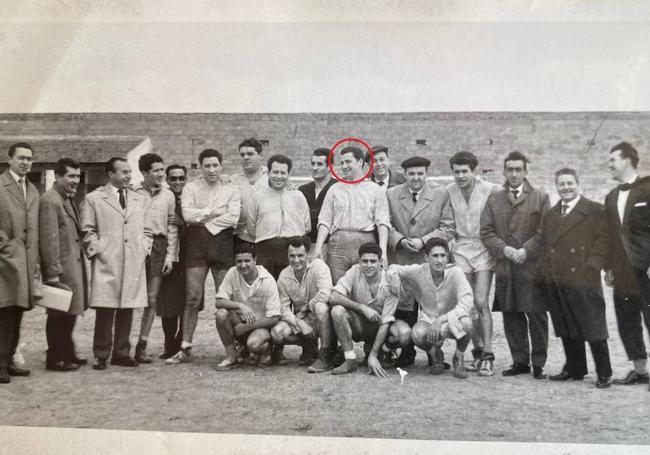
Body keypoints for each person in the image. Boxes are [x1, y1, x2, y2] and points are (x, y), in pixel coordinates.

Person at [480, 150, 550, 379]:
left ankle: (539, 363)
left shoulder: (540, 196)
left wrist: (526, 251)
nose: (514, 174)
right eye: (509, 169)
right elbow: (486, 232)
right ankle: (520, 361)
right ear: (504, 171)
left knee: (536, 315)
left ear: (526, 171)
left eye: (518, 169)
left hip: (531, 267)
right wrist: (504, 249)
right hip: (506, 268)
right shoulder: (494, 198)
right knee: (511, 315)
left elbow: (545, 231)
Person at [540, 168, 612, 388]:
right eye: (561, 184)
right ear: (557, 187)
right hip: (559, 279)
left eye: (570, 183)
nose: (566, 188)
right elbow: (546, 244)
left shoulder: (595, 210)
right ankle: (575, 367)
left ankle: (604, 372)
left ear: (578, 184)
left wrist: (592, 266)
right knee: (566, 324)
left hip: (584, 278)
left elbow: (604, 240)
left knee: (593, 325)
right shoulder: (552, 215)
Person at [167, 148, 240, 364]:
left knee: (225, 299)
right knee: (192, 298)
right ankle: (185, 347)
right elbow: (187, 215)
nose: (211, 169)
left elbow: (233, 218)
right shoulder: (191, 188)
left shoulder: (231, 189)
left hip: (222, 243)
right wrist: (215, 213)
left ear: (221, 166)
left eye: (215, 165)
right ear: (200, 167)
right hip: (196, 243)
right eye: (207, 165)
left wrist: (205, 220)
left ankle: (236, 347)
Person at [82, 157, 153, 371]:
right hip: (107, 260)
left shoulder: (140, 199)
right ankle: (101, 354)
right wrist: (98, 249)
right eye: (123, 172)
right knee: (105, 308)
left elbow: (147, 229)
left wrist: (143, 249)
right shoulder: (94, 198)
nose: (128, 176)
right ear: (110, 174)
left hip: (132, 260)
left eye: (129, 172)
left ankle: (122, 353)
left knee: (127, 308)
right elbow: (87, 230)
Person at [386, 155, 455, 367]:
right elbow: (384, 225)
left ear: (427, 174)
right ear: (404, 175)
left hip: (428, 258)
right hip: (402, 257)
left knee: (430, 306)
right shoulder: (391, 194)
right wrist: (399, 240)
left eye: (420, 173)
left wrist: (423, 241)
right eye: (411, 174)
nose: (416, 178)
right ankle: (405, 352)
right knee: (403, 307)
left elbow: (448, 227)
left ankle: (435, 353)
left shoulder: (440, 194)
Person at [389, 237, 475, 379]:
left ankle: (458, 357)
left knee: (467, 323)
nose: (439, 260)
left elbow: (467, 302)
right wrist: (394, 277)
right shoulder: (418, 271)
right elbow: (392, 268)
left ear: (448, 256)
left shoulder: (456, 272)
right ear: (426, 257)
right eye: (435, 256)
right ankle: (436, 355)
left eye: (443, 255)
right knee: (416, 334)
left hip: (451, 319)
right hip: (428, 320)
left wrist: (442, 319)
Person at [446, 151, 499, 376]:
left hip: (483, 249)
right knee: (468, 305)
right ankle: (477, 353)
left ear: (473, 171)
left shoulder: (490, 189)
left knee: (481, 301)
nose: (460, 176)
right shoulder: (449, 191)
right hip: (460, 250)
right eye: (456, 172)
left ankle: (488, 356)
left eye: (464, 171)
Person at [603, 142, 650, 390]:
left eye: (613, 159)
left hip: (646, 269)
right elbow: (610, 236)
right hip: (622, 271)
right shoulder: (611, 196)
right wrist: (609, 267)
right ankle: (641, 371)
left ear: (628, 161)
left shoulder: (649, 189)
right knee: (626, 320)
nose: (609, 164)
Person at [328, 242, 410, 377]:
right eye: (365, 261)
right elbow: (333, 296)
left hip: (379, 326)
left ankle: (380, 352)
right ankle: (350, 359)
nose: (369, 265)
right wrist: (362, 307)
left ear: (380, 262)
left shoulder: (391, 281)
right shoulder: (355, 271)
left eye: (373, 261)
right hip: (359, 324)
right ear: (359, 261)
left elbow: (385, 322)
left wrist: (373, 355)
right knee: (337, 311)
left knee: (403, 332)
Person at [314, 146, 391, 283]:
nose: (344, 166)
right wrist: (319, 246)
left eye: (348, 162)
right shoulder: (334, 189)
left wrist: (383, 251)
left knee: (363, 287)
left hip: (365, 244)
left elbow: (382, 222)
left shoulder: (376, 190)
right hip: (337, 246)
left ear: (360, 162)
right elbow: (325, 220)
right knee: (338, 288)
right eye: (342, 162)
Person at [39, 158, 88, 372]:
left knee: (70, 312)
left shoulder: (66, 198)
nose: (75, 181)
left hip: (72, 265)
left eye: (77, 176)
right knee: (58, 313)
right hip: (61, 267)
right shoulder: (50, 200)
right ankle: (55, 357)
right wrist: (52, 272)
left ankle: (67, 351)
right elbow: (49, 239)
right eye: (71, 176)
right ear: (58, 176)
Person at [133, 153, 178, 364]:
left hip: (159, 248)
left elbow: (171, 227)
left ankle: (141, 346)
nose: (161, 174)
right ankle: (119, 346)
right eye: (156, 170)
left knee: (151, 300)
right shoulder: (132, 192)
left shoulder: (168, 196)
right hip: (135, 246)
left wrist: (170, 256)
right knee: (128, 299)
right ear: (144, 173)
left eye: (162, 169)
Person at [0, 142, 39, 383]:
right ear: (9, 159)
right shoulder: (1, 186)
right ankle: (0, 365)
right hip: (4, 262)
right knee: (4, 312)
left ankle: (10, 360)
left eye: (30, 159)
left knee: (18, 311)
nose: (26, 163)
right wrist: (4, 245)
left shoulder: (32, 190)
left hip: (24, 263)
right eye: (21, 158)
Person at [214, 243, 281, 370]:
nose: (243, 265)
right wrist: (239, 306)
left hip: (261, 326)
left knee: (254, 344)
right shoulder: (232, 273)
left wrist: (247, 327)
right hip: (239, 323)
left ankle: (266, 349)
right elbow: (219, 301)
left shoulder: (267, 280)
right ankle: (231, 356)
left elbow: (274, 318)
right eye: (239, 261)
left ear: (255, 260)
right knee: (221, 314)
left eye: (247, 261)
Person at [270, 236, 333, 368]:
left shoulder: (319, 266)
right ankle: (308, 346)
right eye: (292, 256)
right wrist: (300, 323)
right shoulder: (284, 276)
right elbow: (283, 308)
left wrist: (307, 307)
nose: (296, 260)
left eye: (300, 255)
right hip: (300, 318)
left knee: (321, 308)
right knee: (277, 333)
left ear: (308, 254)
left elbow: (325, 293)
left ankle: (325, 354)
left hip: (320, 316)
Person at [248, 154, 311, 279]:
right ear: (268, 173)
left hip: (293, 249)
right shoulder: (257, 196)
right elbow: (251, 227)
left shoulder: (297, 196)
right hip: (266, 250)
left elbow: (307, 225)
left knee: (292, 288)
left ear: (288, 175)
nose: (279, 176)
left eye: (283, 173)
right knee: (266, 287)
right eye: (275, 172)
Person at [156, 164, 194, 359]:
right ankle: (169, 343)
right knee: (168, 303)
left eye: (181, 178)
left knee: (187, 301)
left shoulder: (191, 197)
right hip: (170, 257)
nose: (177, 182)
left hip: (190, 257)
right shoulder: (163, 199)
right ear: (167, 180)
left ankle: (182, 341)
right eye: (173, 179)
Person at [230, 138, 269, 248]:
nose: (245, 157)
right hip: (240, 238)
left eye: (250, 154)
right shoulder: (233, 180)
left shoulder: (271, 178)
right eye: (242, 155)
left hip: (265, 237)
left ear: (260, 155)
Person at [298, 148, 336, 247]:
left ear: (329, 167)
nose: (315, 168)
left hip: (331, 244)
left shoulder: (338, 188)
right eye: (313, 164)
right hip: (307, 244)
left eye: (319, 164)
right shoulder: (303, 190)